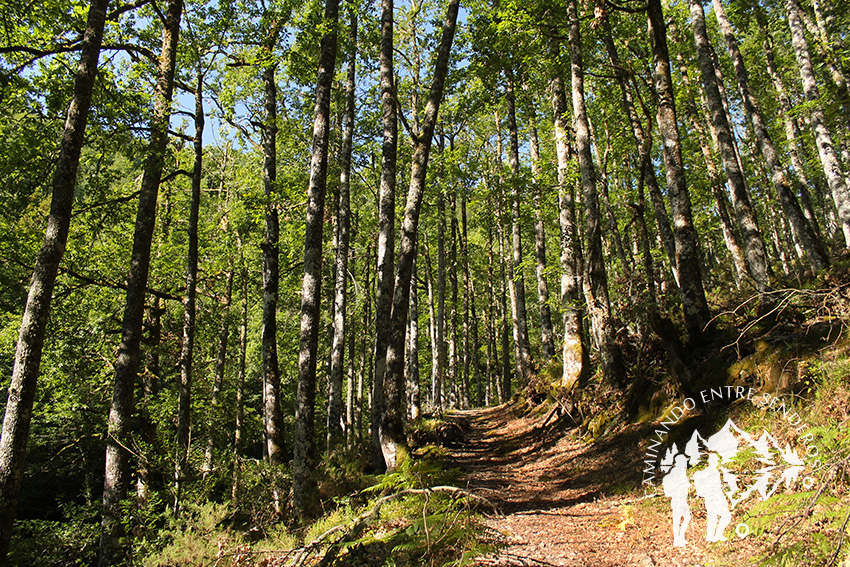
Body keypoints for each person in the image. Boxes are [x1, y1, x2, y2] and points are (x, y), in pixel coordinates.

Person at [693, 453, 732, 542]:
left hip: (711, 497)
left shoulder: (710, 472)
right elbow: (715, 487)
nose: (716, 463)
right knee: (724, 516)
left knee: (713, 517)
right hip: (715, 496)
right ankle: (716, 535)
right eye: (715, 461)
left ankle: (712, 536)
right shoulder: (713, 472)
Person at [663, 453, 691, 546]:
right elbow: (675, 485)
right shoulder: (675, 472)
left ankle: (681, 537)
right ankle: (676, 540)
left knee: (687, 517)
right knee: (677, 519)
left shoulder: (681, 472)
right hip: (677, 499)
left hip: (682, 499)